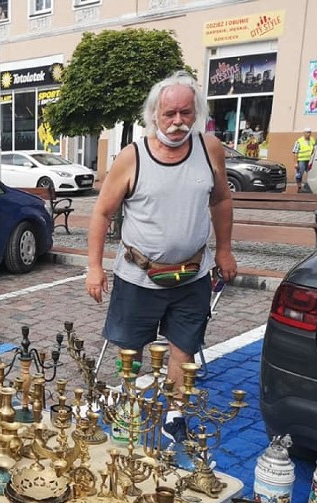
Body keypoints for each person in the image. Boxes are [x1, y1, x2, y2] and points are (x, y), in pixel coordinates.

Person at [85, 71, 237, 435]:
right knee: (130, 348)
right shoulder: (131, 157)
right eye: (169, 114)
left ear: (196, 113)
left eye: (186, 113)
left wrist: (225, 250)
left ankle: (175, 414)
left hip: (192, 274)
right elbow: (102, 212)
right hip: (138, 276)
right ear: (154, 114)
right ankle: (131, 405)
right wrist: (94, 267)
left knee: (184, 346)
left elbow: (221, 199)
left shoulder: (209, 149)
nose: (178, 122)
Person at [292, 127, 315, 192]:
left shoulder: (312, 140)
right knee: (300, 174)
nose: (309, 134)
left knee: (310, 174)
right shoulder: (299, 141)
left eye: (310, 133)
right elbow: (295, 152)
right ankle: (299, 187)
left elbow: (314, 149)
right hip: (301, 160)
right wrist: (296, 163)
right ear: (304, 133)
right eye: (307, 132)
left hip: (309, 160)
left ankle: (308, 187)